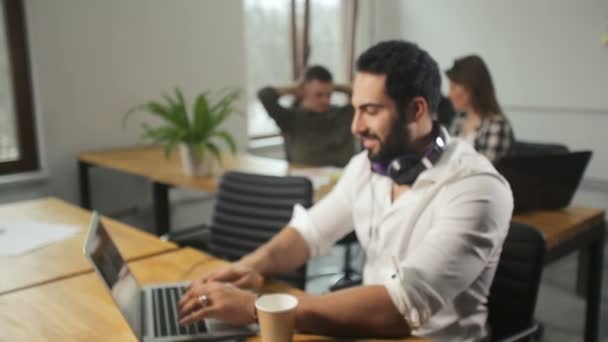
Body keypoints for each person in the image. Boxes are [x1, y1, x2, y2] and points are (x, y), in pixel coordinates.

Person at [179, 40, 513, 341]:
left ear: (416, 110)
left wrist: (258, 307)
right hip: (368, 333)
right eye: (355, 109)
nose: (356, 127)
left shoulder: (477, 188)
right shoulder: (366, 166)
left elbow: (400, 310)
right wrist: (252, 265)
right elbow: (308, 233)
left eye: (370, 110)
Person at [257, 65, 355, 167]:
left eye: (329, 94)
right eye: (319, 95)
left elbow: (363, 93)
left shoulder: (343, 114)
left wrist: (336, 87)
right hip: (304, 179)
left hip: (343, 177)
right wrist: (294, 88)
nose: (325, 100)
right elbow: (264, 95)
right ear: (304, 91)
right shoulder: (290, 118)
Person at [446, 55, 514, 163]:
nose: (449, 94)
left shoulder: (497, 125)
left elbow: (484, 171)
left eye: (453, 87)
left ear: (471, 89)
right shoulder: (458, 120)